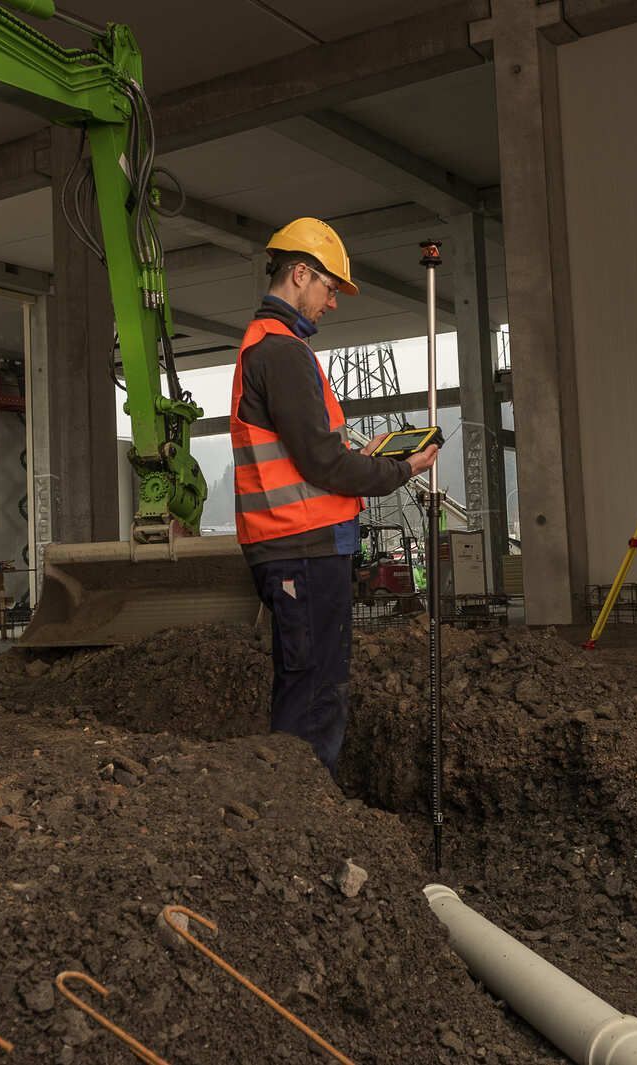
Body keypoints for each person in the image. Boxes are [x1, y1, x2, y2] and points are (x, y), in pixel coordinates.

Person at [229, 217, 439, 773]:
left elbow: (314, 452)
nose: (333, 303)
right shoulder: (281, 352)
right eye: (329, 287)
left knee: (312, 681)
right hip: (301, 543)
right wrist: (399, 471)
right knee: (316, 690)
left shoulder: (273, 349)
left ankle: (302, 805)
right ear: (300, 273)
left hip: (299, 541)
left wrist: (361, 459)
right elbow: (321, 463)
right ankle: (303, 805)